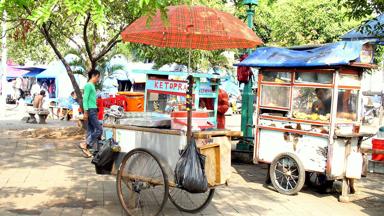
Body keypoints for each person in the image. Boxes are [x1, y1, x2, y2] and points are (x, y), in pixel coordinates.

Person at [80, 70, 102, 158]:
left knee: (91, 131)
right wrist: (85, 112)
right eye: (98, 77)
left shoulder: (92, 85)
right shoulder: (88, 85)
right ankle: (85, 143)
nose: (98, 79)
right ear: (94, 76)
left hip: (93, 109)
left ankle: (86, 151)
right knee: (99, 130)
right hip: (90, 110)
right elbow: (85, 99)